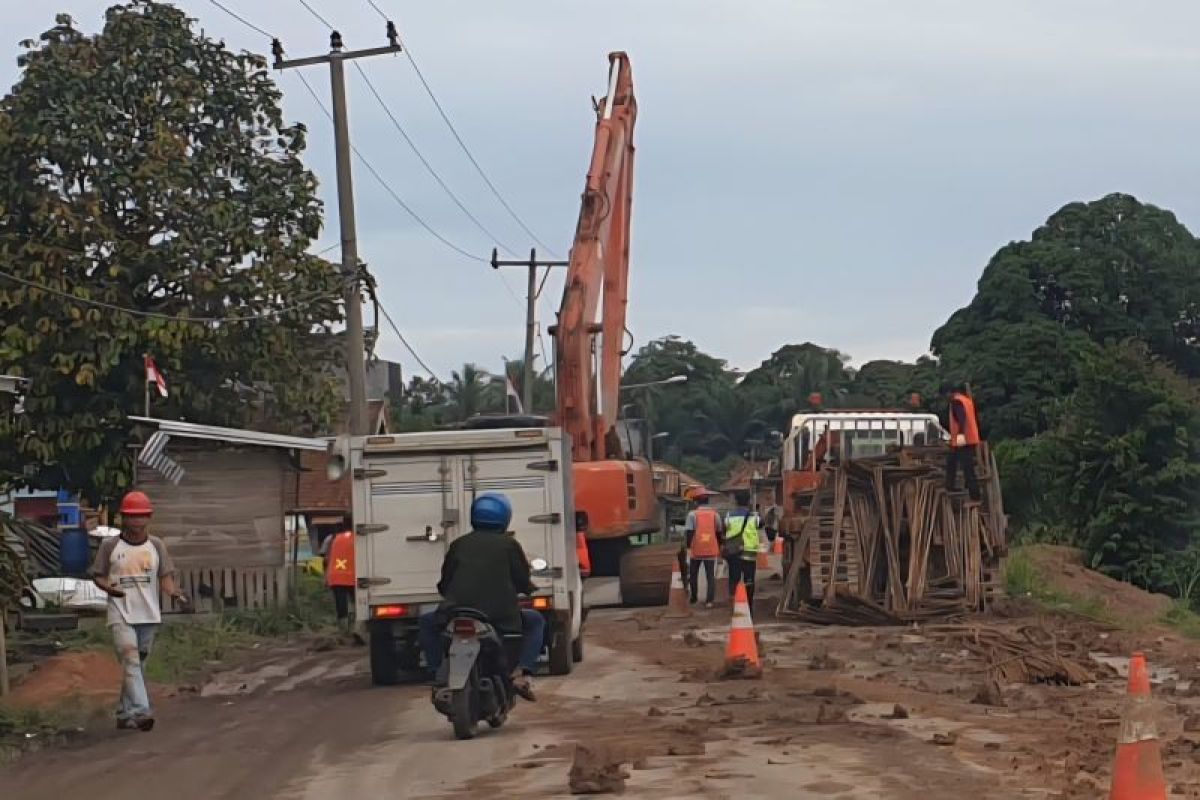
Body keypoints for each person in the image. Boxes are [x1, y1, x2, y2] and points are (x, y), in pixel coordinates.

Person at [418, 493, 545, 701]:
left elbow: (445, 581)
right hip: (500, 617)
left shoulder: (459, 544)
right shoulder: (509, 545)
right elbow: (522, 579)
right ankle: (522, 673)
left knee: (427, 622)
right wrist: (527, 588)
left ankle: (436, 672)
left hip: (455, 613)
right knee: (536, 621)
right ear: (505, 518)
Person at [91, 490, 187, 732]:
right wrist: (109, 590)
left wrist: (175, 593)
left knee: (137, 665)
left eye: (142, 516)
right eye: (132, 517)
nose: (137, 521)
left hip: (148, 613)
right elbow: (98, 576)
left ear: (149, 517)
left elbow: (165, 579)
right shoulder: (110, 545)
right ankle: (142, 712)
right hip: (120, 611)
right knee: (131, 658)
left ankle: (124, 713)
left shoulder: (156, 545)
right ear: (123, 518)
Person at [684, 491, 723, 608]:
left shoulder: (692, 514)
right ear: (707, 502)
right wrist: (719, 545)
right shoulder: (715, 514)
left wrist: (688, 546)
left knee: (693, 574)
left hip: (696, 549)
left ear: (697, 502)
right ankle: (709, 601)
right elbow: (719, 531)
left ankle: (694, 597)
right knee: (710, 576)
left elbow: (689, 532)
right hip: (711, 548)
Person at [723, 492, 761, 609]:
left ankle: (735, 606)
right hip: (749, 553)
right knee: (749, 580)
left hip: (733, 552)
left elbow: (724, 530)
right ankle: (748, 606)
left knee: (734, 579)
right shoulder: (754, 517)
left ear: (735, 501)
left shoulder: (729, 516)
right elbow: (762, 524)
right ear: (749, 501)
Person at [944, 383, 982, 501]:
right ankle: (950, 486)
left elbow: (962, 418)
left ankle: (975, 495)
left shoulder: (956, 402)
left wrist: (960, 434)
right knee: (951, 461)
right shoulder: (966, 400)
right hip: (968, 438)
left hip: (963, 439)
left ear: (950, 393)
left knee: (967, 468)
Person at [322, 528, 355, 632]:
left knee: (340, 604)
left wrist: (325, 577)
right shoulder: (358, 537)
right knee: (357, 603)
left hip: (336, 576)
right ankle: (355, 626)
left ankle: (343, 630)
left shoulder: (331, 538)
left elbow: (325, 559)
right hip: (354, 577)